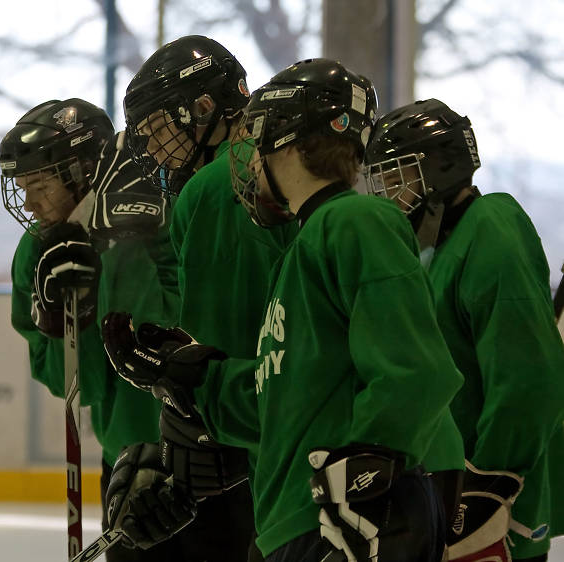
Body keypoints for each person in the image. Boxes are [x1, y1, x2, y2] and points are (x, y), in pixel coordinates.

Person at [102, 58, 466, 562]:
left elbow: (419, 372)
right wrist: (192, 374)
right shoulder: (303, 246)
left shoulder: (355, 221)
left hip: (347, 511)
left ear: (287, 140)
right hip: (298, 513)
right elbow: (285, 396)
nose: (247, 162)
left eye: (254, 143)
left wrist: (366, 468)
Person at [106, 34, 303, 562]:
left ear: (204, 107)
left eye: (157, 130)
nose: (151, 149)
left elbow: (221, 345)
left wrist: (188, 451)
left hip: (277, 460)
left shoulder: (219, 185)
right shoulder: (273, 167)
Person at [363, 98, 564, 562]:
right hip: (447, 495)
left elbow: (530, 379)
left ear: (436, 171)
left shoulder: (491, 226)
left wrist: (490, 484)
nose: (386, 195)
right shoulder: (438, 253)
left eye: (397, 178)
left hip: (489, 501)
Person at [0, 98, 186, 561]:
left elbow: (185, 325)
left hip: (199, 455)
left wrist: (136, 241)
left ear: (83, 169)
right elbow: (73, 384)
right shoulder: (35, 251)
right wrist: (56, 324)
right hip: (122, 456)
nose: (30, 202)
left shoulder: (156, 217)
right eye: (23, 188)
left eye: (39, 185)